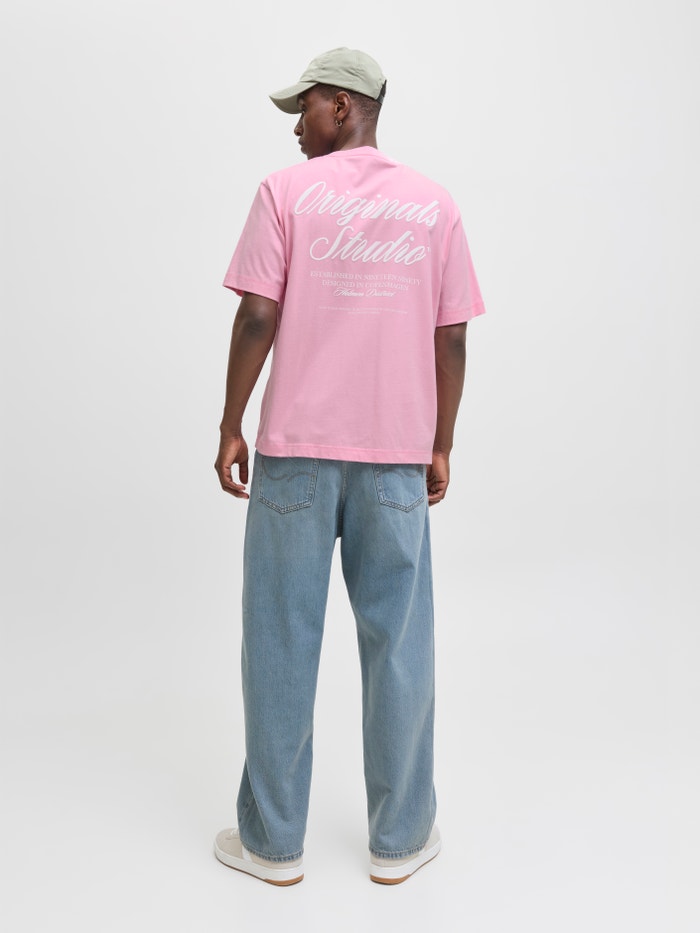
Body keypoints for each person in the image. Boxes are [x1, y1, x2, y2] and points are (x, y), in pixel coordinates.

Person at [213, 47, 485, 886]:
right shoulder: (434, 205)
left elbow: (258, 315)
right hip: (394, 460)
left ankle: (272, 844)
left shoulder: (283, 193)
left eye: (304, 108)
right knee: (399, 643)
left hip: (295, 455)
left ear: (341, 104)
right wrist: (440, 441)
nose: (296, 126)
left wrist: (230, 422)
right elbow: (452, 335)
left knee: (280, 637)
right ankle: (400, 840)